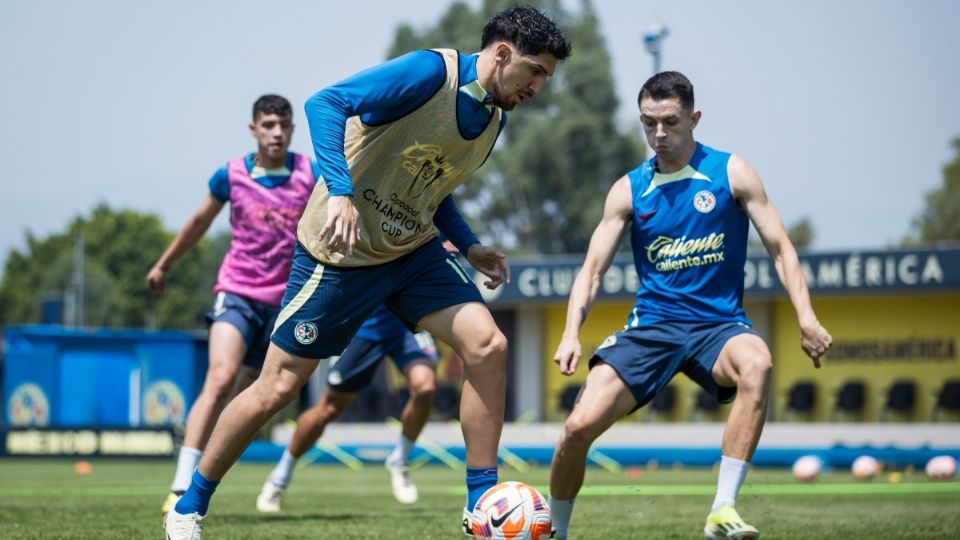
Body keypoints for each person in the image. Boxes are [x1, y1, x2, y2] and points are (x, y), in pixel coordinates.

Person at [164, 6, 571, 539]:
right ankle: (188, 505)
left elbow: (434, 188)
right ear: (502, 54)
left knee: (487, 346)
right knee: (278, 386)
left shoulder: (494, 119)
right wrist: (339, 192)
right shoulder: (430, 73)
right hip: (341, 252)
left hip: (413, 251)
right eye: (535, 71)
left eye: (545, 78)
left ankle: (480, 504)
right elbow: (324, 103)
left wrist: (469, 247)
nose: (539, 86)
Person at [546, 71, 833, 540]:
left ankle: (722, 509)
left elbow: (781, 248)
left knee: (757, 363)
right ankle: (555, 531)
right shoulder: (628, 190)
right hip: (652, 328)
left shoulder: (732, 173)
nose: (659, 134)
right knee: (576, 428)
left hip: (718, 327)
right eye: (649, 123)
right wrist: (570, 333)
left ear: (694, 118)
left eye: (671, 122)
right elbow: (592, 270)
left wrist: (807, 318)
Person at [147, 94, 316, 516]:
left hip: (285, 304)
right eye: (268, 125)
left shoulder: (310, 174)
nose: (277, 132)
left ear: (293, 129)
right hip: (237, 292)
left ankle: (210, 469)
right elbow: (199, 222)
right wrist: (164, 264)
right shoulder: (232, 175)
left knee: (252, 396)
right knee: (220, 378)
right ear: (253, 129)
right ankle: (180, 484)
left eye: (284, 125)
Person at [256, 304, 439, 511]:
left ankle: (400, 460)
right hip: (362, 329)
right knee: (329, 408)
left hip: (407, 326)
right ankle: (280, 476)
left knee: (425, 387)